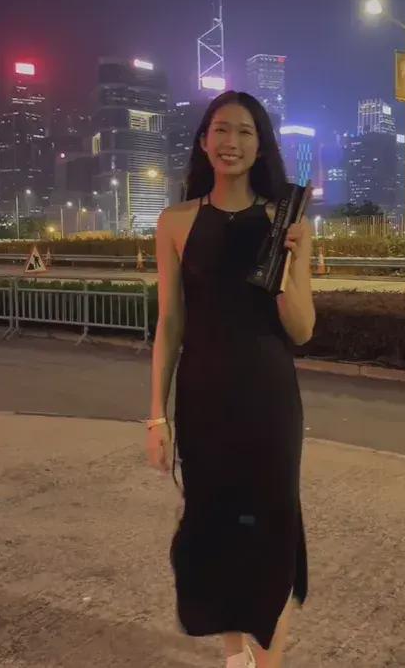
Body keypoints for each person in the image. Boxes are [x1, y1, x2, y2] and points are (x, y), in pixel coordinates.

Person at [147, 91, 315, 668]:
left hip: (268, 398)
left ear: (260, 146)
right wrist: (156, 414)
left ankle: (266, 662)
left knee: (272, 531)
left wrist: (290, 262)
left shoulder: (286, 222)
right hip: (203, 398)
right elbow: (170, 324)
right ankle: (234, 655)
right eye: (221, 129)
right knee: (215, 524)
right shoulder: (175, 223)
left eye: (245, 131)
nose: (231, 142)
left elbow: (302, 329)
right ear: (203, 141)